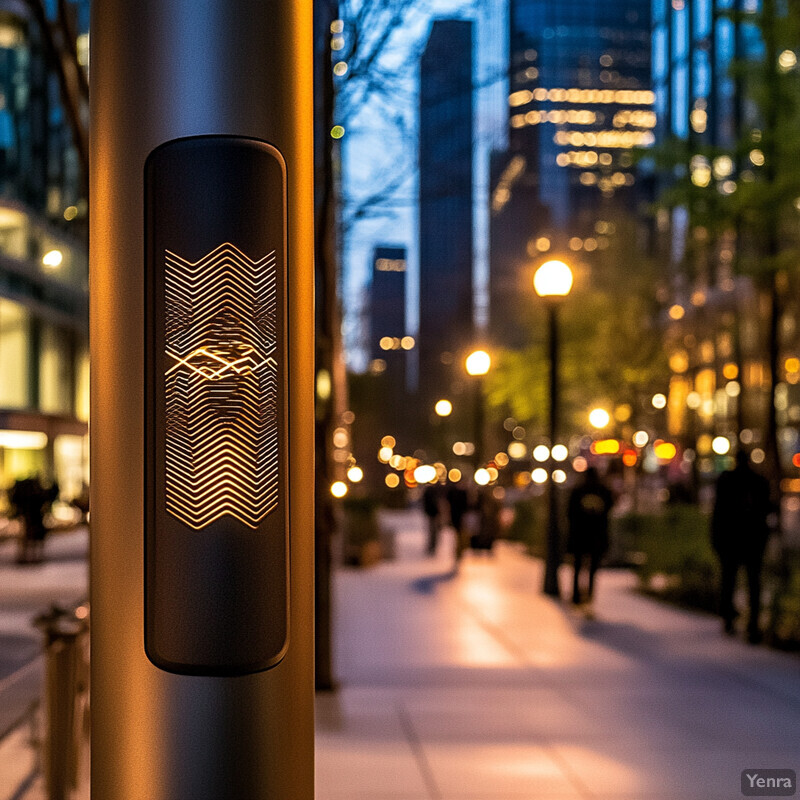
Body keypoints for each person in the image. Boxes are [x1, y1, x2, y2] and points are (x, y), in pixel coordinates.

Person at [711, 450, 772, 642]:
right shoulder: (759, 482)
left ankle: (731, 619)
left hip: (732, 541)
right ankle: (752, 623)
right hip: (751, 541)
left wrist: (716, 539)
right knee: (753, 583)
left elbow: (718, 513)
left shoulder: (727, 481)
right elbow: (766, 511)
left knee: (730, 580)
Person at [567, 467, 613, 606]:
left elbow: (569, 513)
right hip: (597, 536)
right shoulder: (604, 491)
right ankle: (590, 595)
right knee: (593, 568)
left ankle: (575, 596)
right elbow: (610, 510)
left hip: (580, 535)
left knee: (577, 566)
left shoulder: (578, 490)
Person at [422, 482, 444, 556]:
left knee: (433, 531)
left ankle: (432, 546)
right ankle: (432, 546)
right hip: (433, 514)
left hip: (432, 514)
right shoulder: (433, 492)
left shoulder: (430, 491)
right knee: (433, 531)